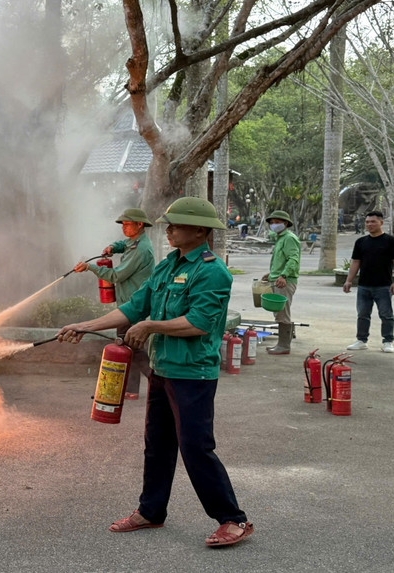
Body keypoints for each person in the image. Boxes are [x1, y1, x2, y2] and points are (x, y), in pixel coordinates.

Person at [58, 197, 253, 548]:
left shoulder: (212, 271)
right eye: (171, 223)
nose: (170, 229)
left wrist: (150, 326)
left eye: (177, 224)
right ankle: (151, 512)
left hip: (192, 374)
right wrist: (86, 325)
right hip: (162, 370)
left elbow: (198, 322)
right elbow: (134, 307)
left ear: (200, 230)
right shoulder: (167, 266)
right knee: (157, 444)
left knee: (196, 447)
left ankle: (233, 519)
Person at [73, 208, 155, 399]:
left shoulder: (142, 249)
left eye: (127, 224)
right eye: (123, 225)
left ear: (139, 224)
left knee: (132, 346)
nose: (124, 228)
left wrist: (90, 267)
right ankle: (131, 390)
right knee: (130, 347)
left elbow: (116, 275)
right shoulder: (135, 243)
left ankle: (157, 383)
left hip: (134, 306)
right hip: (128, 303)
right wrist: (113, 247)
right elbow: (124, 244)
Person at [343, 211, 394, 352]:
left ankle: (388, 341)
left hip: (384, 285)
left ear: (381, 223)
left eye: (373, 222)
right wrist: (348, 281)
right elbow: (355, 262)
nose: (369, 224)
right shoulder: (361, 242)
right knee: (363, 314)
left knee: (386, 315)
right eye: (367, 222)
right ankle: (361, 340)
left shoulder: (390, 241)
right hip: (364, 285)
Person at [261, 210, 300, 355]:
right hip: (277, 279)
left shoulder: (289, 238)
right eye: (272, 223)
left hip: (285, 281)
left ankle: (284, 345)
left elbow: (293, 259)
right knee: (279, 312)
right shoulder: (281, 238)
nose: (274, 225)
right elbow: (282, 260)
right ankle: (282, 344)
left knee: (283, 313)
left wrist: (283, 275)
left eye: (277, 222)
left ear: (285, 223)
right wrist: (271, 274)